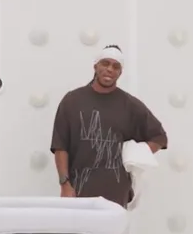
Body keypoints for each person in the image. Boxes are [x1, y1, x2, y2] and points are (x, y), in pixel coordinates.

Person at [50, 45, 168, 207]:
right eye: (105, 63)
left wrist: (135, 155)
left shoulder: (130, 105)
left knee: (112, 226)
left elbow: (159, 137)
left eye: (116, 66)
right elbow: (60, 146)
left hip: (116, 194)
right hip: (78, 191)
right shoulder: (72, 101)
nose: (110, 69)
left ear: (120, 72)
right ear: (95, 66)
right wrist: (64, 184)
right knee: (79, 225)